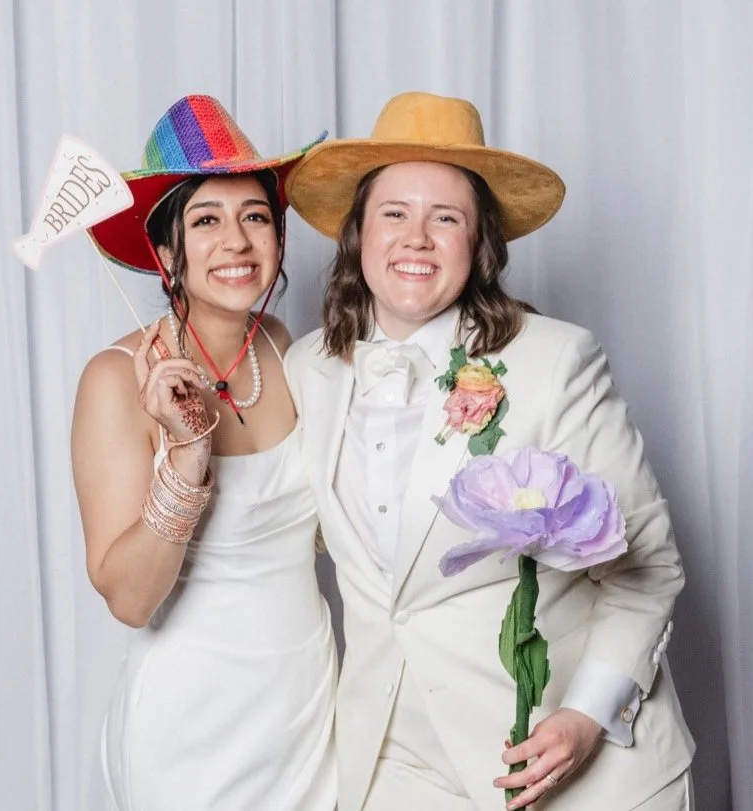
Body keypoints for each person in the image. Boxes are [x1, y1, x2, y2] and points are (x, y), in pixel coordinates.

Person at [282, 91, 695, 810]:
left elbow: (647, 567)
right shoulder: (309, 368)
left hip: (568, 771)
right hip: (394, 766)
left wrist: (586, 717)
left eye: (446, 218)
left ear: (479, 248)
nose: (417, 237)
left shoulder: (557, 360)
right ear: (358, 234)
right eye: (394, 213)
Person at [71, 95, 336, 810]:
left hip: (311, 711)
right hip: (190, 729)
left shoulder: (288, 348)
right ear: (165, 251)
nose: (237, 241)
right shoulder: (113, 380)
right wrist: (188, 458)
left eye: (255, 216)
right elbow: (129, 598)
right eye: (206, 220)